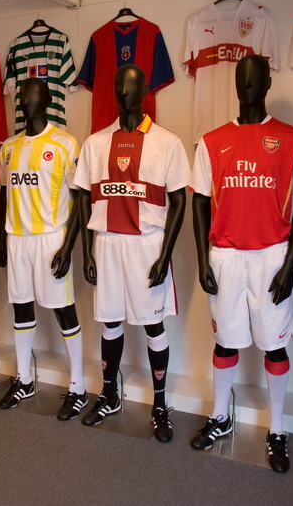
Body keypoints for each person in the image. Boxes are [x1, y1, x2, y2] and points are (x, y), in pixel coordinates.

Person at [189, 55, 293, 472]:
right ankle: (220, 416)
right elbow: (199, 201)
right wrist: (202, 258)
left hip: (272, 255)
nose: (247, 84)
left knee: (273, 343)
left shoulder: (292, 138)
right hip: (225, 254)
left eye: (255, 78)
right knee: (226, 340)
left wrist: (291, 263)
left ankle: (277, 429)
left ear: (267, 84)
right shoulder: (212, 141)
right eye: (241, 78)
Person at [73, 64, 188, 442]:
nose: (125, 91)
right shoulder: (95, 143)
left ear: (144, 91)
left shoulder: (167, 142)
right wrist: (87, 251)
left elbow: (179, 201)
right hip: (107, 242)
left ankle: (160, 404)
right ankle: (109, 395)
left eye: (132, 85)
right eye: (119, 85)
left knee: (154, 324)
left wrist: (165, 254)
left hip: (147, 245)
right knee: (110, 322)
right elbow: (83, 198)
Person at [0, 78, 86, 420]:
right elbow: (6, 193)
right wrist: (0, 238)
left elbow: (80, 199)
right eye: (22, 96)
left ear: (47, 99)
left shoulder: (64, 143)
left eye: (33, 95)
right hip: (17, 237)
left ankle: (78, 386)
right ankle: (24, 378)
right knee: (21, 307)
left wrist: (68, 246)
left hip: (50, 238)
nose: (25, 101)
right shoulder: (8, 147)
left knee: (63, 310)